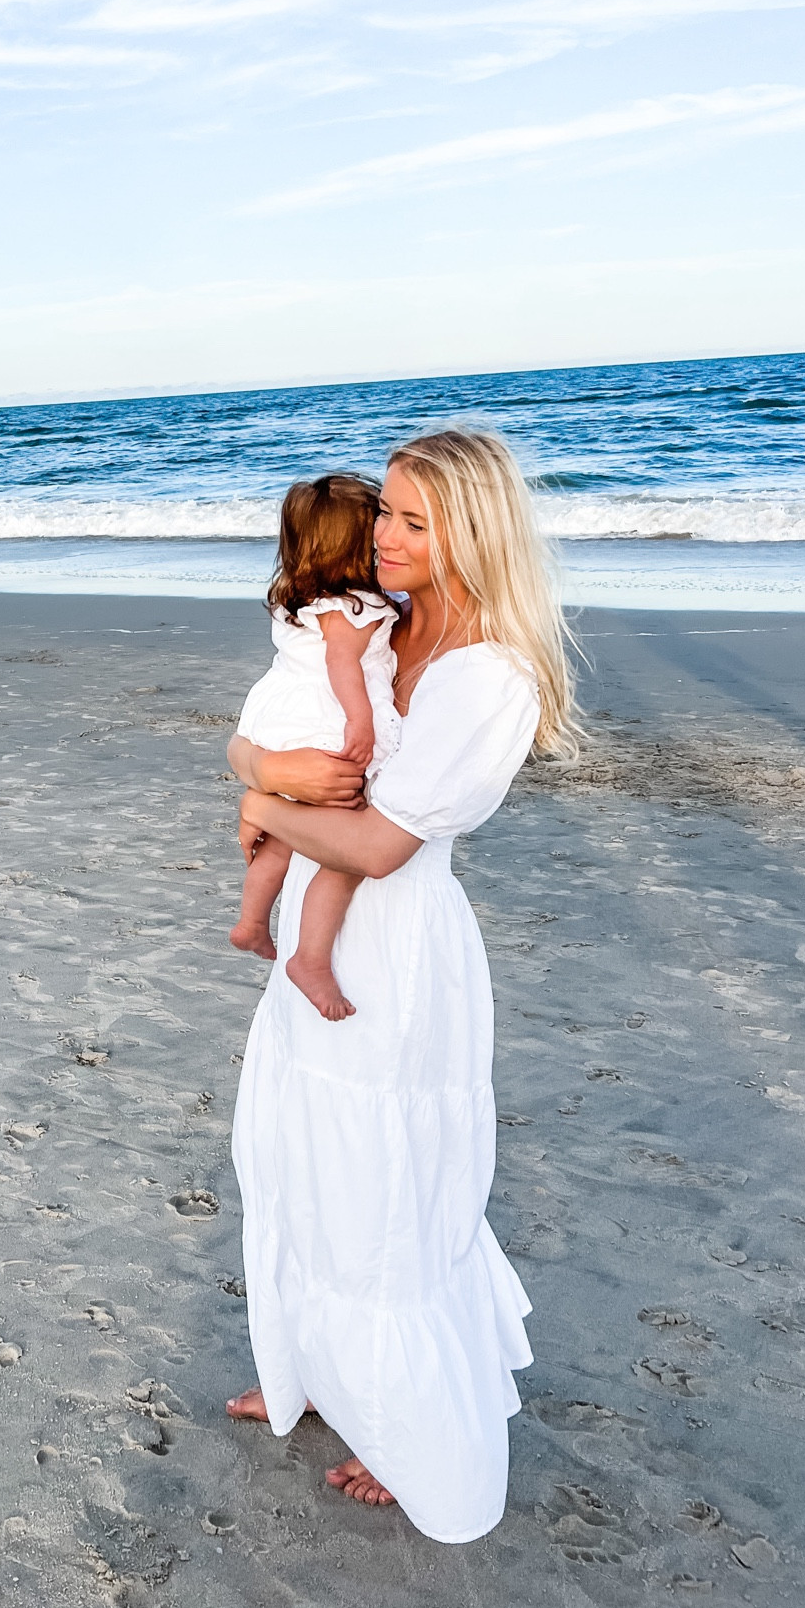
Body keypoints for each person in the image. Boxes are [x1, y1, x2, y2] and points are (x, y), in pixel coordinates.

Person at [224, 428, 580, 1544]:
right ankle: (323, 1369)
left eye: (414, 522)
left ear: (474, 532)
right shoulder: (389, 622)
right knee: (303, 1158)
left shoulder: (492, 673)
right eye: (386, 511)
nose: (383, 536)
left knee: (387, 1186)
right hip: (314, 925)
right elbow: (272, 731)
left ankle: (405, 1421)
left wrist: (264, 804)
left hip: (395, 948)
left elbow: (379, 845)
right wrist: (260, 767)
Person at [230, 474, 400, 1021]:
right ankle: (311, 958)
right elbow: (341, 664)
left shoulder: (301, 601)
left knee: (282, 838)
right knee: (346, 849)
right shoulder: (354, 608)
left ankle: (252, 921)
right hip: (327, 727)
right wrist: (361, 719)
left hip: (280, 724)